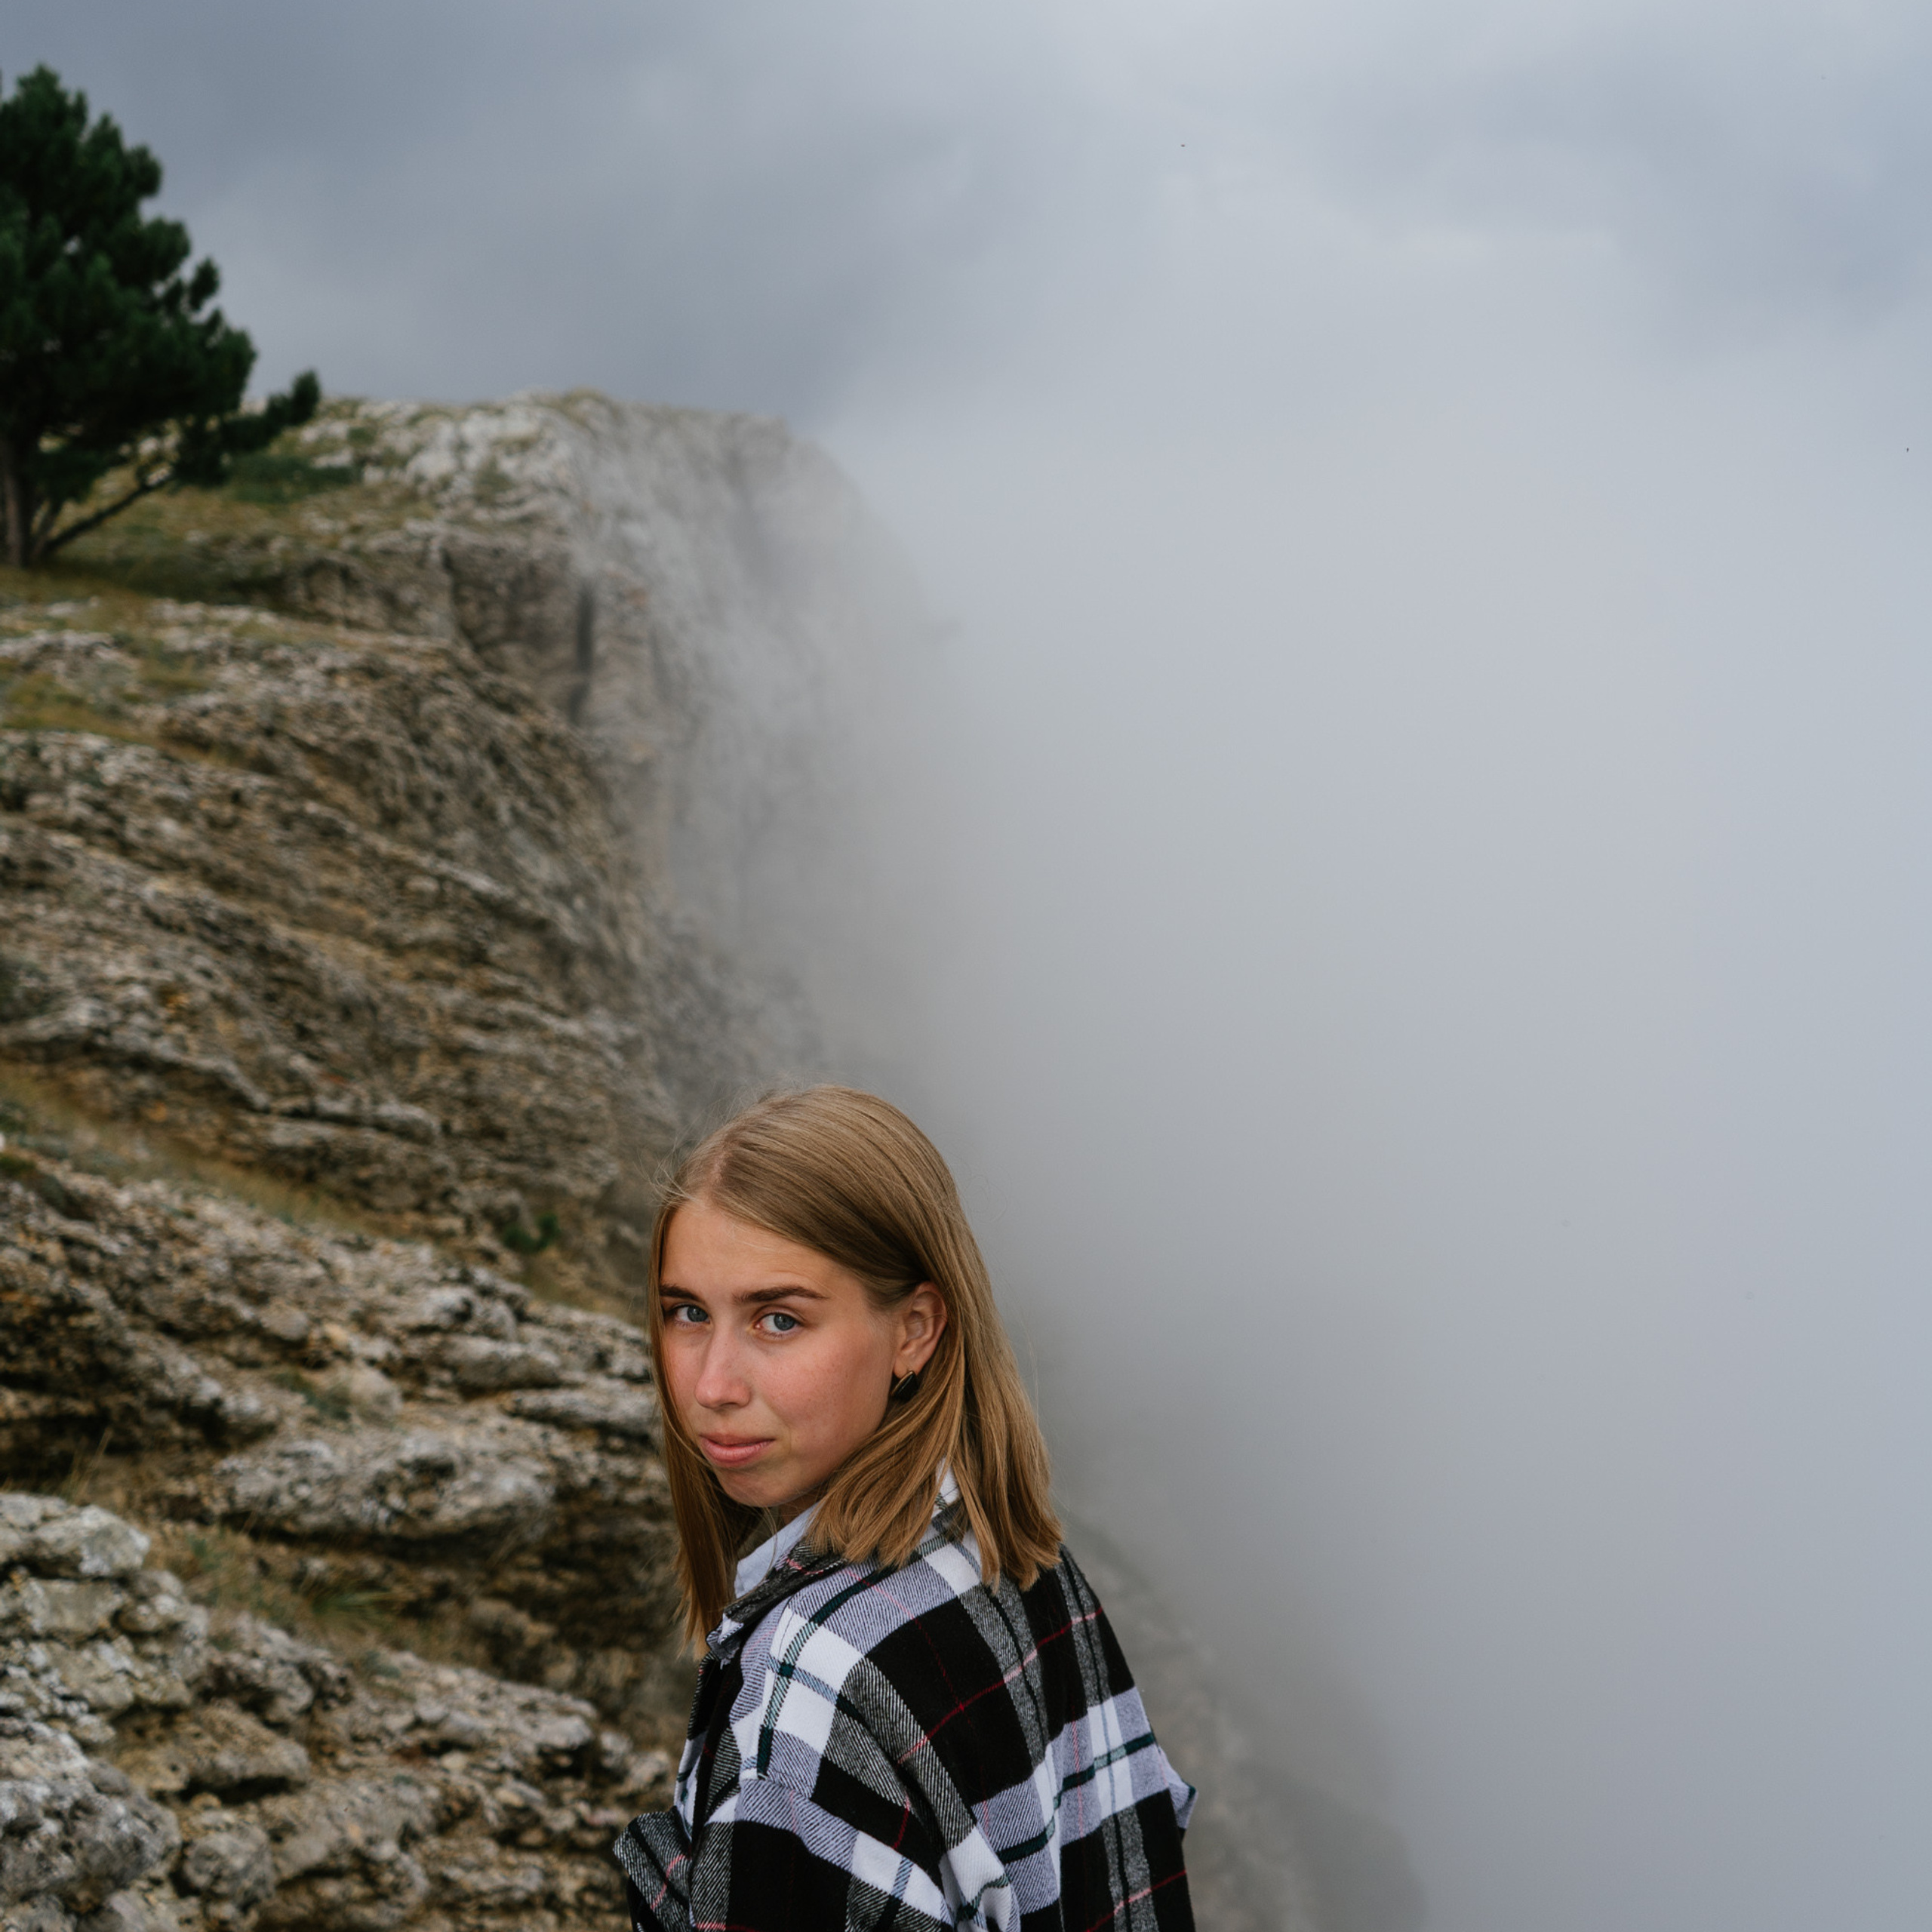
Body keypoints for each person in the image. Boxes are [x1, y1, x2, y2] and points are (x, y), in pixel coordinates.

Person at [614, 1085, 1196, 1930]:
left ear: (915, 1328)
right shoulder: (1017, 1560)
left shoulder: (809, 1681)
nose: (711, 1385)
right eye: (687, 1313)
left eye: (778, 1319)